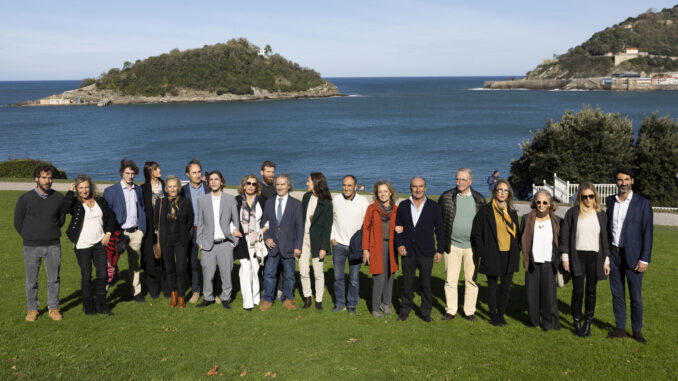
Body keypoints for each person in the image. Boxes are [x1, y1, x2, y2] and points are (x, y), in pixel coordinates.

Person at [606, 167, 653, 343]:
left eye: (626, 179)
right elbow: (607, 230)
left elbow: (648, 233)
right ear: (616, 182)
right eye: (620, 180)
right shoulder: (611, 202)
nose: (623, 183)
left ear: (632, 180)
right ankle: (620, 328)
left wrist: (644, 258)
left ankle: (637, 330)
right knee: (617, 294)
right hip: (614, 255)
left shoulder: (643, 203)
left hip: (634, 257)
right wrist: (607, 256)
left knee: (636, 296)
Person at [14, 165, 66, 321]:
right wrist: (29, 236)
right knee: (31, 281)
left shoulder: (58, 198)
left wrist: (50, 231)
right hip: (31, 246)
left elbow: (61, 219)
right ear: (36, 179)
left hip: (53, 245)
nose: (47, 181)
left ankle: (53, 307)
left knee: (54, 279)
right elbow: (18, 221)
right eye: (44, 177)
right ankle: (32, 309)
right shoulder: (25, 199)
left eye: (50, 178)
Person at [560, 183, 610, 337]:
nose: (588, 199)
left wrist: (607, 260)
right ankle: (576, 322)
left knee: (591, 291)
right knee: (578, 291)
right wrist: (565, 257)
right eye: (584, 196)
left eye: (591, 196)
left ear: (595, 196)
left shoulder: (601, 214)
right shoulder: (573, 213)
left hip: (595, 257)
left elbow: (605, 240)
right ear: (580, 197)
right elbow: (565, 236)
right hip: (577, 257)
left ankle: (588, 323)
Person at [63, 175, 116, 315]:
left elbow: (110, 218)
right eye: (80, 188)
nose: (84, 190)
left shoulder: (100, 200)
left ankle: (101, 304)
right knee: (86, 275)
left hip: (99, 243)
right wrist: (69, 192)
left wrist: (108, 233)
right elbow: (63, 209)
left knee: (103, 274)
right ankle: (88, 305)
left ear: (90, 187)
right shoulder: (75, 204)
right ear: (77, 189)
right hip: (82, 246)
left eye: (86, 187)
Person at [438, 167, 485, 322]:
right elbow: (438, 221)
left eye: (463, 179)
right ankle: (451, 310)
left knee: (471, 280)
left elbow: (484, 225)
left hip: (472, 247)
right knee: (450, 280)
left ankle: (469, 311)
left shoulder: (479, 199)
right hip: (452, 246)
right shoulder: (446, 197)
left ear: (470, 181)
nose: (460, 182)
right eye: (457, 179)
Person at [471, 179, 520, 326]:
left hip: (509, 255)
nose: (502, 193)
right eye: (500, 190)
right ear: (494, 192)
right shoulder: (485, 211)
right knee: (492, 286)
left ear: (509, 193)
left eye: (506, 190)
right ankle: (492, 314)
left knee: (506, 287)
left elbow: (516, 235)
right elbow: (476, 235)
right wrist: (484, 252)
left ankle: (501, 314)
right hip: (492, 254)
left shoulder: (512, 213)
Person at [394, 176, 444, 322]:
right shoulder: (403, 206)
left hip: (426, 252)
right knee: (407, 284)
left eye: (420, 186)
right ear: (411, 188)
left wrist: (440, 250)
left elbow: (440, 230)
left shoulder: (434, 207)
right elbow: (397, 228)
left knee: (426, 284)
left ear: (425, 188)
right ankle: (405, 310)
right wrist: (400, 244)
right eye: (415, 186)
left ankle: (425, 312)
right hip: (407, 251)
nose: (418, 189)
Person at [103, 159, 148, 302]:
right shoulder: (111, 191)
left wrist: (141, 230)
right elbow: (106, 214)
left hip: (135, 232)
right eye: (127, 173)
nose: (130, 176)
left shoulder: (138, 190)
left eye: (133, 173)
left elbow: (141, 208)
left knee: (135, 265)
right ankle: (103, 294)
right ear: (122, 173)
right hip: (118, 233)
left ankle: (136, 292)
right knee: (110, 264)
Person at [195, 171, 241, 309]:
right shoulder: (202, 200)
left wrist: (234, 242)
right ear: (208, 183)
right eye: (211, 180)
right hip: (208, 244)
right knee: (207, 273)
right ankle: (208, 297)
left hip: (225, 243)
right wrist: (200, 242)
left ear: (222, 181)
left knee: (226, 273)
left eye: (216, 179)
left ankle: (226, 297)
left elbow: (235, 221)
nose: (214, 182)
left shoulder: (230, 199)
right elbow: (200, 223)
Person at [259, 174, 303, 311]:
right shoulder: (269, 202)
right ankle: (267, 298)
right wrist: (266, 237)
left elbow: (300, 227)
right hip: (272, 246)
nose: (279, 187)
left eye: (282, 184)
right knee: (269, 274)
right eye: (277, 184)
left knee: (289, 276)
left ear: (288, 186)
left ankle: (288, 298)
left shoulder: (296, 204)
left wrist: (298, 246)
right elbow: (263, 223)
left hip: (289, 247)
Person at [520, 190, 561, 330]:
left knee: (549, 295)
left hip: (549, 262)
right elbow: (522, 240)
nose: (541, 205)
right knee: (531, 294)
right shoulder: (526, 219)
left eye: (544, 202)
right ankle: (533, 321)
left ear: (550, 204)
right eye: (538, 202)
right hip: (532, 262)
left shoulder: (557, 220)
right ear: (534, 203)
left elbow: (560, 242)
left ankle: (549, 323)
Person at [331, 175, 369, 314]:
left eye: (349, 185)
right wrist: (332, 238)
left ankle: (352, 304)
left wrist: (364, 244)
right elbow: (331, 220)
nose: (346, 188)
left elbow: (367, 225)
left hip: (355, 247)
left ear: (355, 187)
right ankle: (340, 304)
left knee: (354, 279)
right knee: (338, 277)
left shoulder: (363, 202)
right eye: (344, 185)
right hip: (338, 244)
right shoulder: (336, 199)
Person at [155, 175, 194, 308]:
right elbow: (156, 221)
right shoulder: (160, 203)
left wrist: (183, 231)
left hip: (181, 240)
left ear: (179, 187)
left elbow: (190, 220)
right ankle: (174, 294)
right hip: (166, 240)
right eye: (169, 187)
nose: (172, 189)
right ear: (166, 188)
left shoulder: (185, 202)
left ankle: (182, 296)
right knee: (170, 269)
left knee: (181, 268)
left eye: (175, 186)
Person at [362, 180, 399, 318]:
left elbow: (400, 227)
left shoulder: (396, 209)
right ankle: (375, 308)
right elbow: (365, 229)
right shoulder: (371, 209)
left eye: (385, 191)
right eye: (380, 192)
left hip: (392, 246)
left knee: (390, 275)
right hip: (376, 246)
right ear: (376, 194)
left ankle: (386, 304)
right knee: (379, 277)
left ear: (390, 193)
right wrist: (365, 250)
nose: (383, 194)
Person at [299, 172, 333, 310]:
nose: (306, 183)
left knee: (318, 272)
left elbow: (327, 227)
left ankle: (318, 300)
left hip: (318, 241)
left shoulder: (326, 203)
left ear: (316, 183)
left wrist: (324, 247)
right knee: (303, 270)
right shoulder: (306, 197)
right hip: (303, 239)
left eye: (309, 181)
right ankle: (307, 298)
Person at [233, 174, 267, 310]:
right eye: (248, 183)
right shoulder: (236, 200)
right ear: (244, 185)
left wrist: (263, 231)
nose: (251, 186)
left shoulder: (262, 200)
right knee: (246, 268)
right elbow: (230, 217)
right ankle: (247, 302)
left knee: (255, 268)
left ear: (256, 186)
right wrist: (233, 230)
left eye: (254, 184)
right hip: (242, 239)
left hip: (257, 239)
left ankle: (255, 297)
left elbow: (269, 218)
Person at [180, 158, 207, 304]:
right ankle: (196, 290)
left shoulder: (208, 187)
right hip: (191, 231)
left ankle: (211, 291)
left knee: (208, 262)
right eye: (194, 172)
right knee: (193, 263)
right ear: (187, 174)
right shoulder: (183, 191)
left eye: (199, 172)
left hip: (207, 231)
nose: (197, 175)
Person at [141, 161, 165, 298]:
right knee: (150, 261)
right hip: (149, 229)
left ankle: (167, 288)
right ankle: (153, 290)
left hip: (164, 228)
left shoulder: (165, 186)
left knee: (165, 259)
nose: (159, 170)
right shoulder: (144, 188)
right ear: (150, 172)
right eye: (156, 169)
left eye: (159, 168)